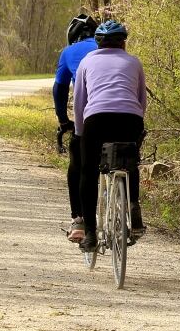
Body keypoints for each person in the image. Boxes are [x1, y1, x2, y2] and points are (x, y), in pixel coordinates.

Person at [73, 20, 147, 251]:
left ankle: (91, 235)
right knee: (130, 162)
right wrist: (136, 125)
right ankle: (133, 207)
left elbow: (79, 102)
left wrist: (79, 133)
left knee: (88, 170)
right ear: (123, 42)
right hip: (130, 119)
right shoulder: (134, 62)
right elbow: (141, 100)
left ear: (98, 43)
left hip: (97, 119)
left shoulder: (86, 62)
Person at [53, 14, 99, 243]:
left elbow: (59, 91)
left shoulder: (68, 52)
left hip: (89, 120)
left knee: (78, 166)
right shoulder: (110, 48)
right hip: (124, 117)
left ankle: (79, 219)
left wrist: (63, 121)